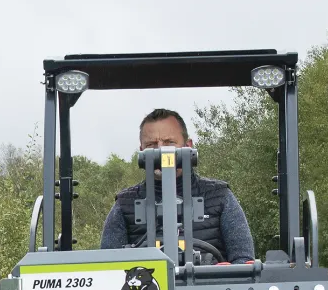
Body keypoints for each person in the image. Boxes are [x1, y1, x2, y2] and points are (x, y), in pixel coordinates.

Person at [99, 109, 255, 264]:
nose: (160, 151)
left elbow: (244, 260)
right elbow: (108, 268)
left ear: (188, 146)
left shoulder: (220, 196)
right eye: (151, 145)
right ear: (141, 153)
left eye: (169, 143)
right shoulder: (125, 204)